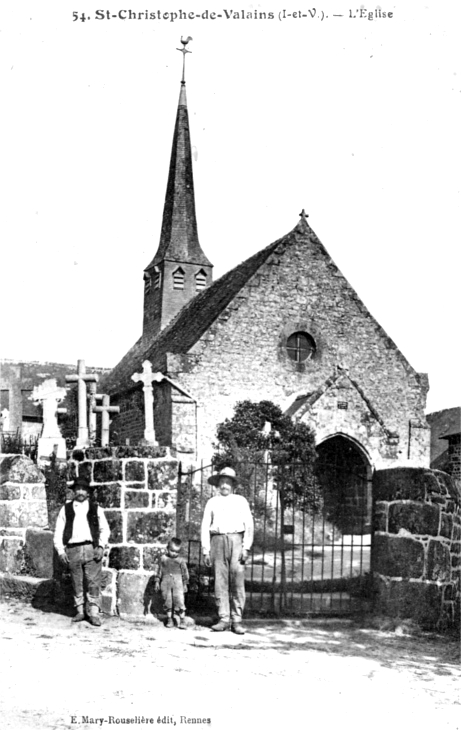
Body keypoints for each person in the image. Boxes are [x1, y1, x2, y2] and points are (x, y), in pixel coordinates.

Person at [201, 467, 254, 634]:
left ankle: (237, 620)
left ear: (233, 485)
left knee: (237, 579)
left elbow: (249, 525)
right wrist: (205, 549)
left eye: (228, 482)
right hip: (217, 540)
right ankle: (223, 618)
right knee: (220, 580)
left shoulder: (240, 501)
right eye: (222, 482)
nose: (224, 485)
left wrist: (246, 547)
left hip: (236, 540)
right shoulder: (212, 502)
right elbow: (204, 526)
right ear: (218, 484)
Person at [53, 475, 110, 626]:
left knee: (93, 581)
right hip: (73, 549)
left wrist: (101, 546)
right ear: (73, 491)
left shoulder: (96, 509)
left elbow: (105, 529)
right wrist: (60, 551)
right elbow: (58, 532)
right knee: (76, 581)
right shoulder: (65, 509)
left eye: (83, 489)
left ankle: (94, 613)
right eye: (78, 489)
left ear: (88, 492)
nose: (80, 492)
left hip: (92, 548)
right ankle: (79, 611)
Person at [154, 538, 189, 629]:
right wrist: (157, 581)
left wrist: (185, 584)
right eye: (172, 551)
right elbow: (159, 571)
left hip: (178, 584)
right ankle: (169, 618)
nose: (174, 553)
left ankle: (182, 620)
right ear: (167, 548)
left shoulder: (181, 560)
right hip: (165, 584)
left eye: (177, 552)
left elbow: (185, 573)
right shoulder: (163, 559)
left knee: (180, 601)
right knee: (167, 601)